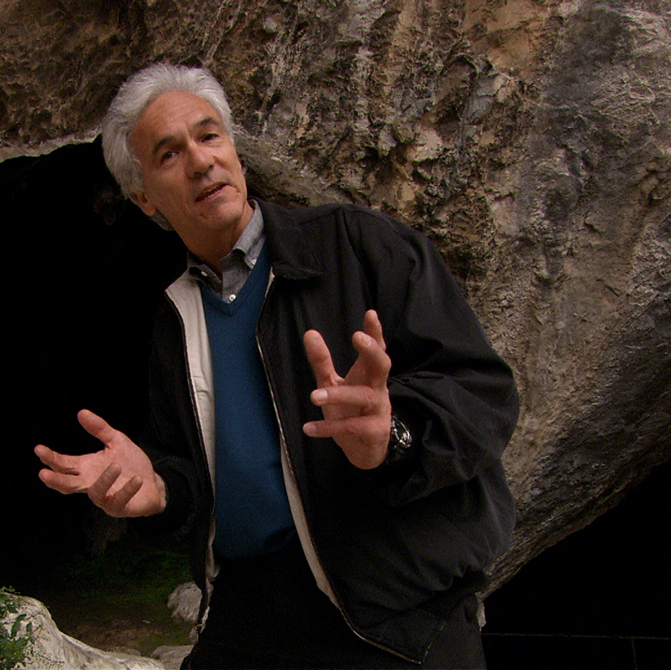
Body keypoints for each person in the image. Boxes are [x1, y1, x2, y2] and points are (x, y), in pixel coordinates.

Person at [34, 63, 518, 669]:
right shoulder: (173, 319)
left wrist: (392, 439)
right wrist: (158, 489)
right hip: (249, 610)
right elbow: (192, 472)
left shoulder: (360, 245)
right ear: (145, 199)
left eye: (210, 136)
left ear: (234, 148)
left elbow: (484, 395)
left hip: (395, 609)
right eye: (168, 154)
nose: (201, 161)